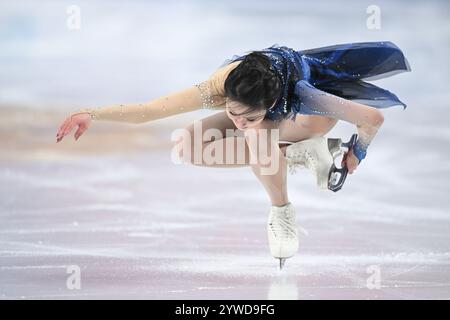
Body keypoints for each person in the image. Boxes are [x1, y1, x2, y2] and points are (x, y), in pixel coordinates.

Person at [56, 41, 411, 268]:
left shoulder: (302, 94)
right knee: (187, 146)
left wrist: (356, 153)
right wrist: (93, 112)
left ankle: (282, 210)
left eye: (248, 116)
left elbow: (372, 119)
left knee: (258, 140)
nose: (237, 123)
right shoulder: (219, 86)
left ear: (270, 104)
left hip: (310, 120)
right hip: (275, 119)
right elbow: (151, 109)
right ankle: (298, 154)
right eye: (233, 113)